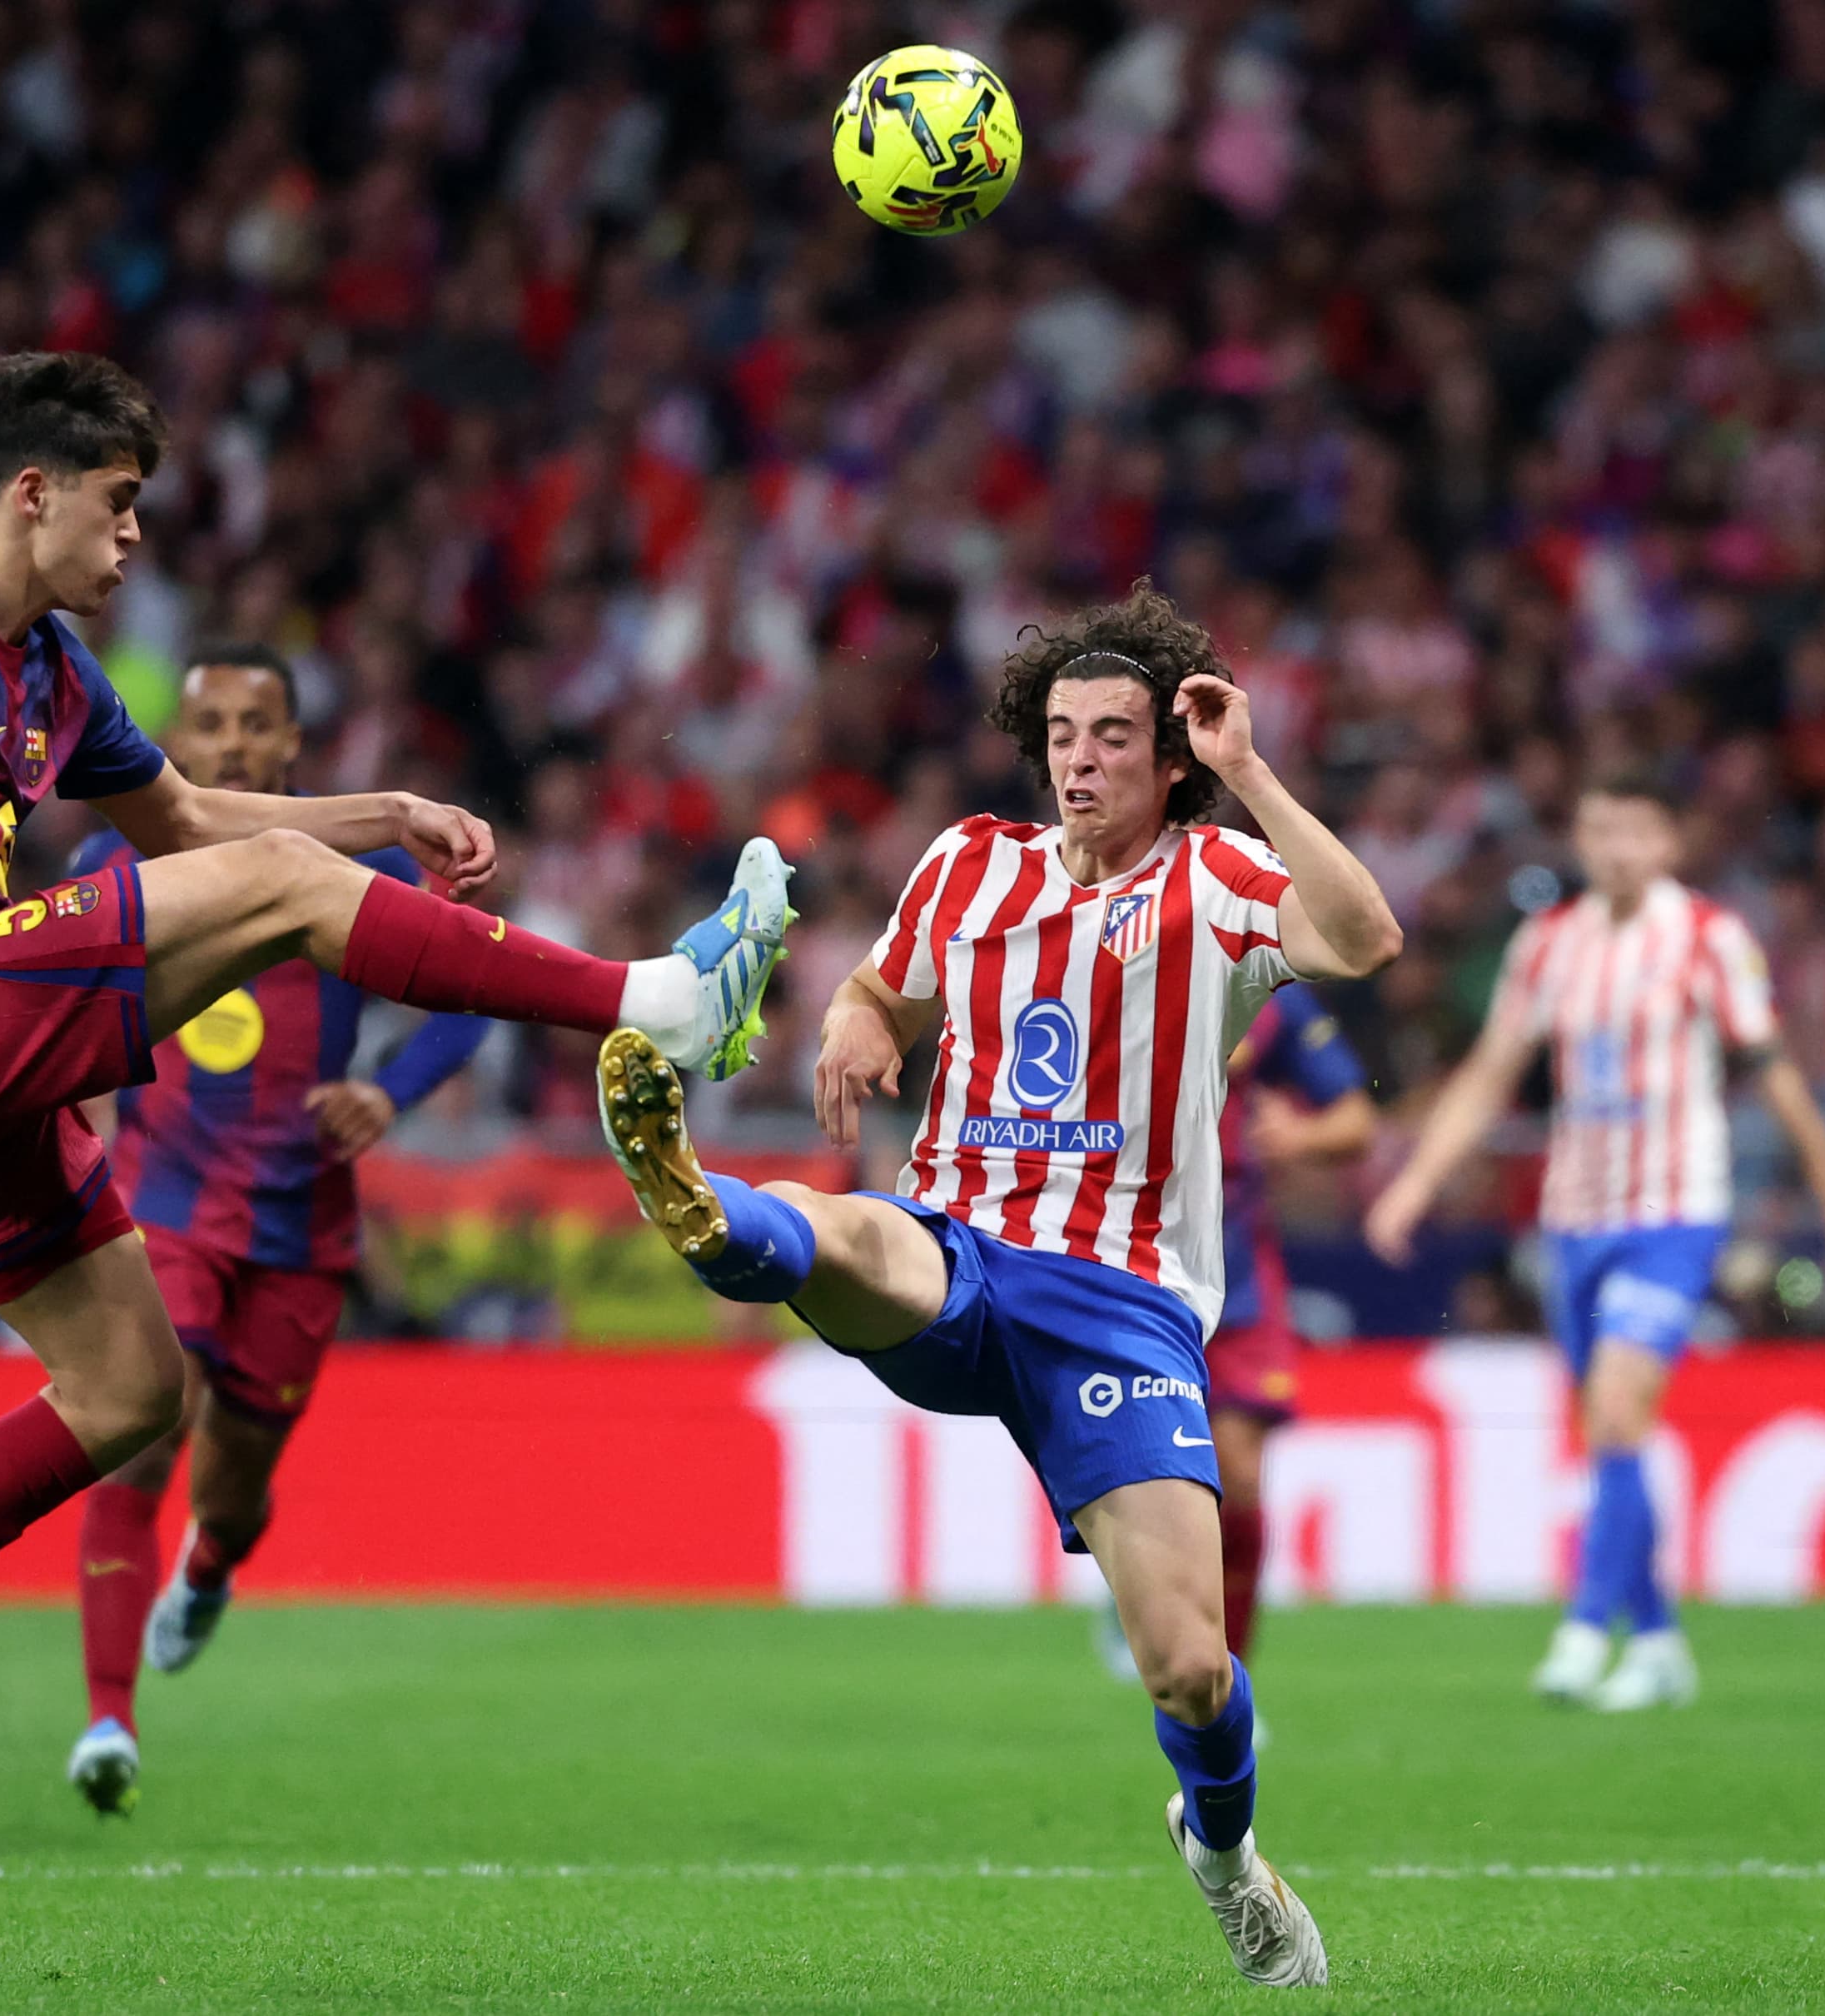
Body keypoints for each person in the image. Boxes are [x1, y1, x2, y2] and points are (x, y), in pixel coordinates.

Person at [0, 352, 788, 1817]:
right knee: (279, 886)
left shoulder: (52, 668)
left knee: (131, 1390)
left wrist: (387, 810)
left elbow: (185, 814)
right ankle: (661, 1004)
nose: (135, 535)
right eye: (119, 501)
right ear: (32, 493)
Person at [594, 587, 1400, 1989]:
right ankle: (706, 1213)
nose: (1080, 758)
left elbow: (1364, 938)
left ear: (1171, 760)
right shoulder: (969, 864)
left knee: (1189, 1672)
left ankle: (1222, 1852)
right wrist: (851, 1024)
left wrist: (1253, 772)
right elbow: (881, 990)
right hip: (958, 1251)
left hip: (1122, 1301)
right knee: (843, 1233)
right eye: (1063, 733)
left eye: (1114, 736)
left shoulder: (1214, 877)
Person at [57, 643, 490, 1817]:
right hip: (164, 1205)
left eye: (258, 723)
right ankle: (107, 1718)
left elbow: (470, 998)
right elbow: (48, 1002)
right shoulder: (114, 862)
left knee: (235, 1492)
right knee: (142, 1434)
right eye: (213, 724)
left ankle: (208, 1568)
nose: (235, 743)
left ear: (294, 743)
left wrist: (387, 1093)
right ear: (177, 742)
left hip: (303, 1222)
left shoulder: (354, 867)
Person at [1365, 774, 1825, 1711]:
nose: (1615, 848)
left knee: (1616, 1409)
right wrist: (1413, 1184)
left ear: (1667, 844)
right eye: (1600, 829)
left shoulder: (1708, 937)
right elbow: (1490, 1073)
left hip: (1674, 1210)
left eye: (1634, 831)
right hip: (1574, 1218)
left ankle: (1581, 1631)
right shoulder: (1547, 942)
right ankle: (1655, 1642)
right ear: (1580, 839)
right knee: (1612, 1436)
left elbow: (1775, 1074)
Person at [1096, 982, 1374, 1700]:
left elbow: (1354, 1119)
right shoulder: (1115, 965)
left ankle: (1227, 1680)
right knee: (1136, 1464)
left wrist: (1298, 1136)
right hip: (1121, 1259)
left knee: (1240, 1477)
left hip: (1234, 1269)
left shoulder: (1268, 993)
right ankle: (1140, 1587)